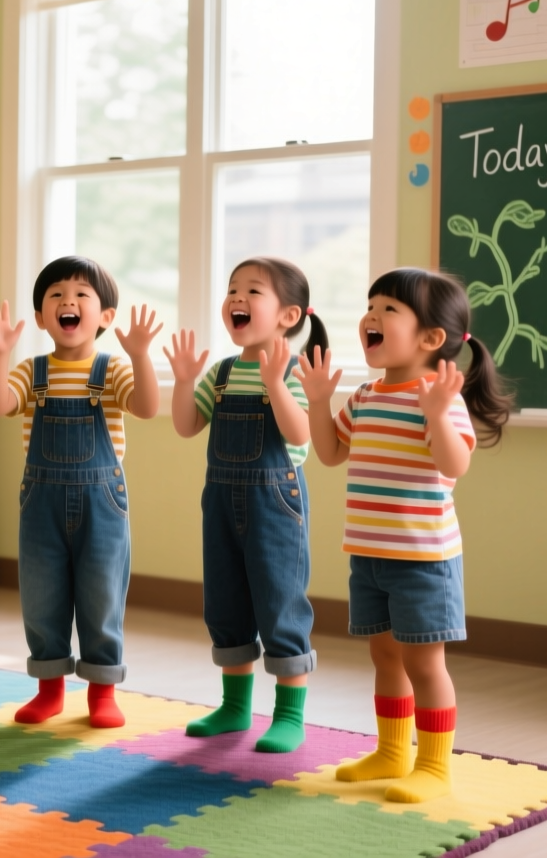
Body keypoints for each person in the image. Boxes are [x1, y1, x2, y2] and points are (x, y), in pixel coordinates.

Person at [296, 266, 512, 802]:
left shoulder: (438, 395)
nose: (371, 315)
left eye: (388, 309)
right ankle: (392, 752)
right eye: (371, 305)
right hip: (368, 553)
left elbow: (455, 463)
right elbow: (329, 453)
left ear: (431, 338)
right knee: (385, 656)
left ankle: (434, 766)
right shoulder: (367, 395)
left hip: (423, 559)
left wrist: (438, 415)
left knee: (424, 662)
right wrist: (320, 402)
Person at [0, 256, 161, 728]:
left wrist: (140, 355)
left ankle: (102, 691)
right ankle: (50, 689)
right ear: (41, 317)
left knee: (101, 597)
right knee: (42, 598)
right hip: (41, 505)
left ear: (105, 317)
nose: (68, 302)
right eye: (56, 295)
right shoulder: (31, 371)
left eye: (81, 294)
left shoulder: (113, 370)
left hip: (104, 504)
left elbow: (145, 406)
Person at [163, 256, 329, 754]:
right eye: (232, 289)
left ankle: (288, 715)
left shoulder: (297, 371)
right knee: (226, 601)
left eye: (253, 291)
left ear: (288, 316)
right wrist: (184, 380)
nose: (237, 298)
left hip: (276, 502)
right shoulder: (223, 372)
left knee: (280, 604)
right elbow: (187, 425)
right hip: (220, 501)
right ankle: (235, 707)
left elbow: (300, 433)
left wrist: (276, 383)